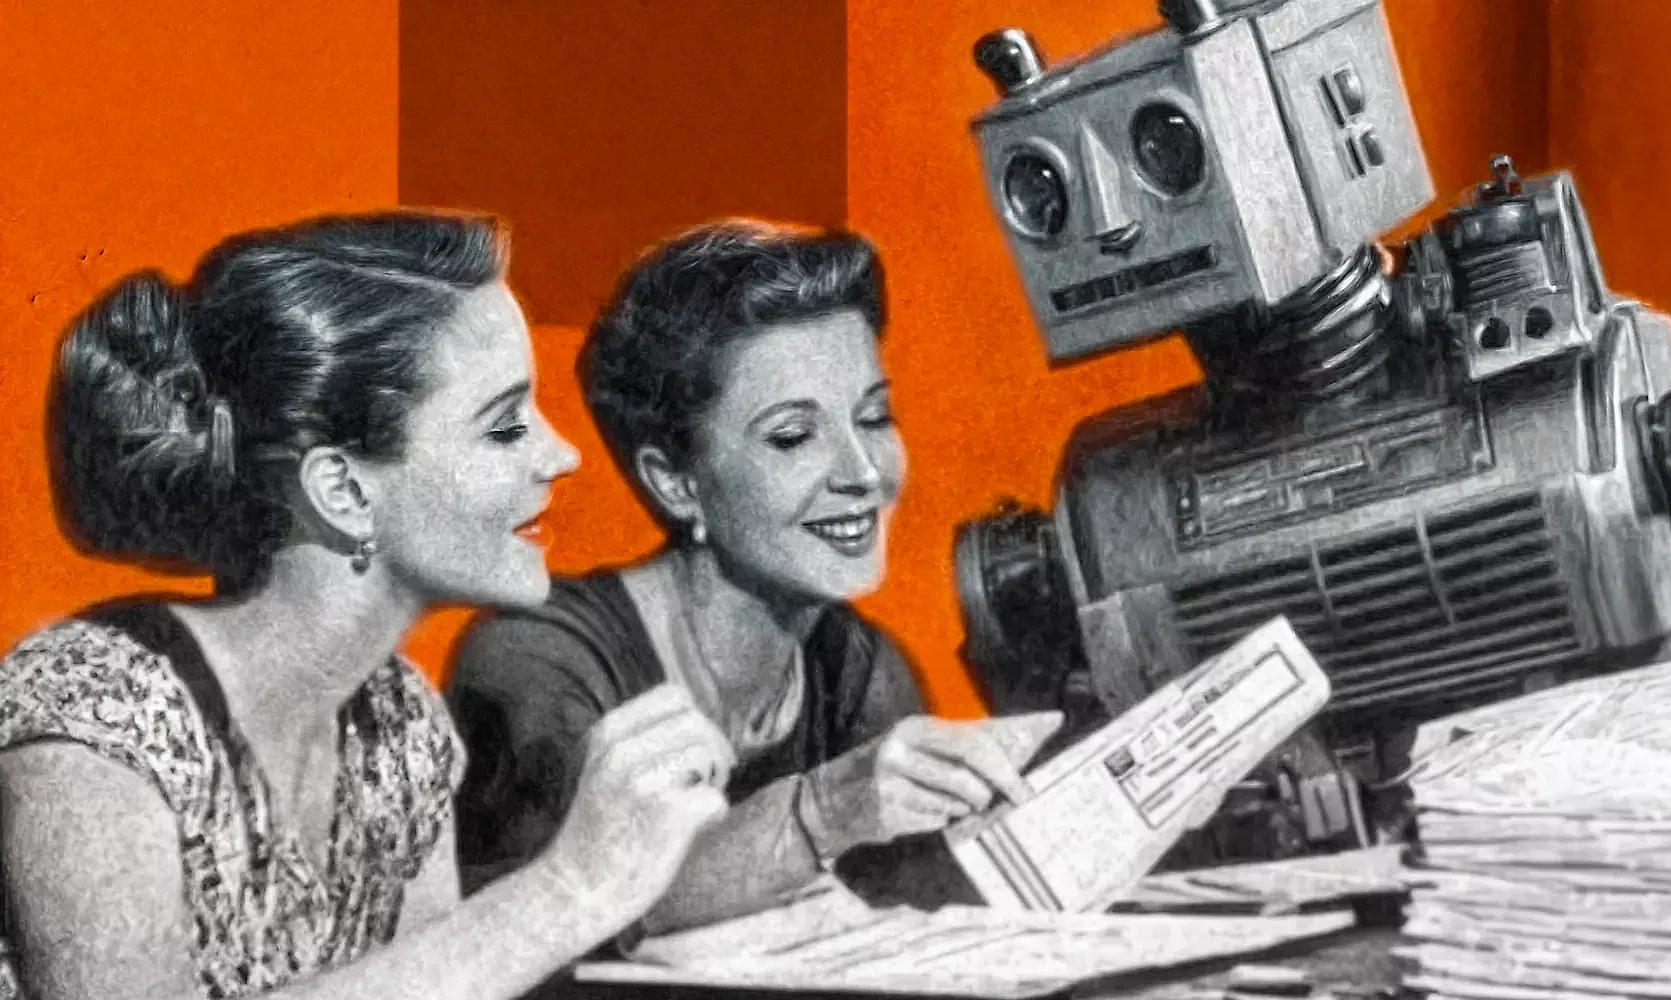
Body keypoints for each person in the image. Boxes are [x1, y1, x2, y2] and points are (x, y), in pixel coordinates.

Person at [0, 212, 735, 1000]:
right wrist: (569, 890)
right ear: (343, 492)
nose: (562, 454)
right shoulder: (92, 722)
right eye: (505, 427)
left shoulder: (402, 732)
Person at [448, 220, 1052, 934]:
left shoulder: (855, 667)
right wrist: (821, 812)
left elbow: (923, 908)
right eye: (794, 437)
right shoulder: (537, 662)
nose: (862, 475)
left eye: (875, 417)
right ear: (676, 484)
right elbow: (563, 926)